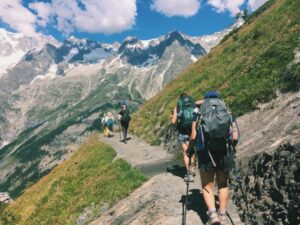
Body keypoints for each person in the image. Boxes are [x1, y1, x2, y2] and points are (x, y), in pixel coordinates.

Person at [186, 91, 239, 225]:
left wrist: (190, 150)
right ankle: (222, 216)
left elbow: (193, 136)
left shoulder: (199, 113)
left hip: (205, 152)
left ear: (205, 101)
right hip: (224, 152)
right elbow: (235, 136)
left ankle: (213, 216)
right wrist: (232, 147)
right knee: (222, 184)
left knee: (207, 185)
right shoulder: (227, 112)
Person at [171, 93, 199, 180]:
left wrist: (173, 115)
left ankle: (189, 174)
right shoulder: (193, 104)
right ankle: (193, 167)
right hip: (193, 130)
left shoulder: (177, 107)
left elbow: (173, 121)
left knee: (185, 152)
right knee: (192, 150)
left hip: (183, 132)